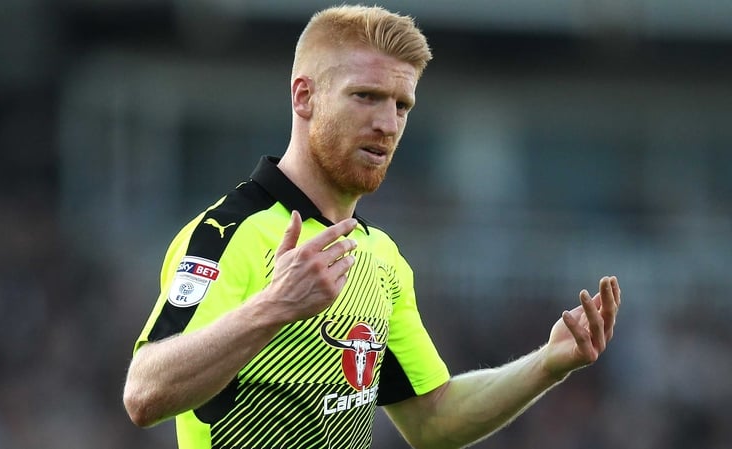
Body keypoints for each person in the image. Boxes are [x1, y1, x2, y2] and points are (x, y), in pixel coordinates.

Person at [122, 5, 621, 449]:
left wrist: (546, 365)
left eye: (401, 105)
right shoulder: (230, 231)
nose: (388, 124)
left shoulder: (380, 256)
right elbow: (144, 394)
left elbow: (432, 420)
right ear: (304, 97)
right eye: (366, 96)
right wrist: (273, 307)